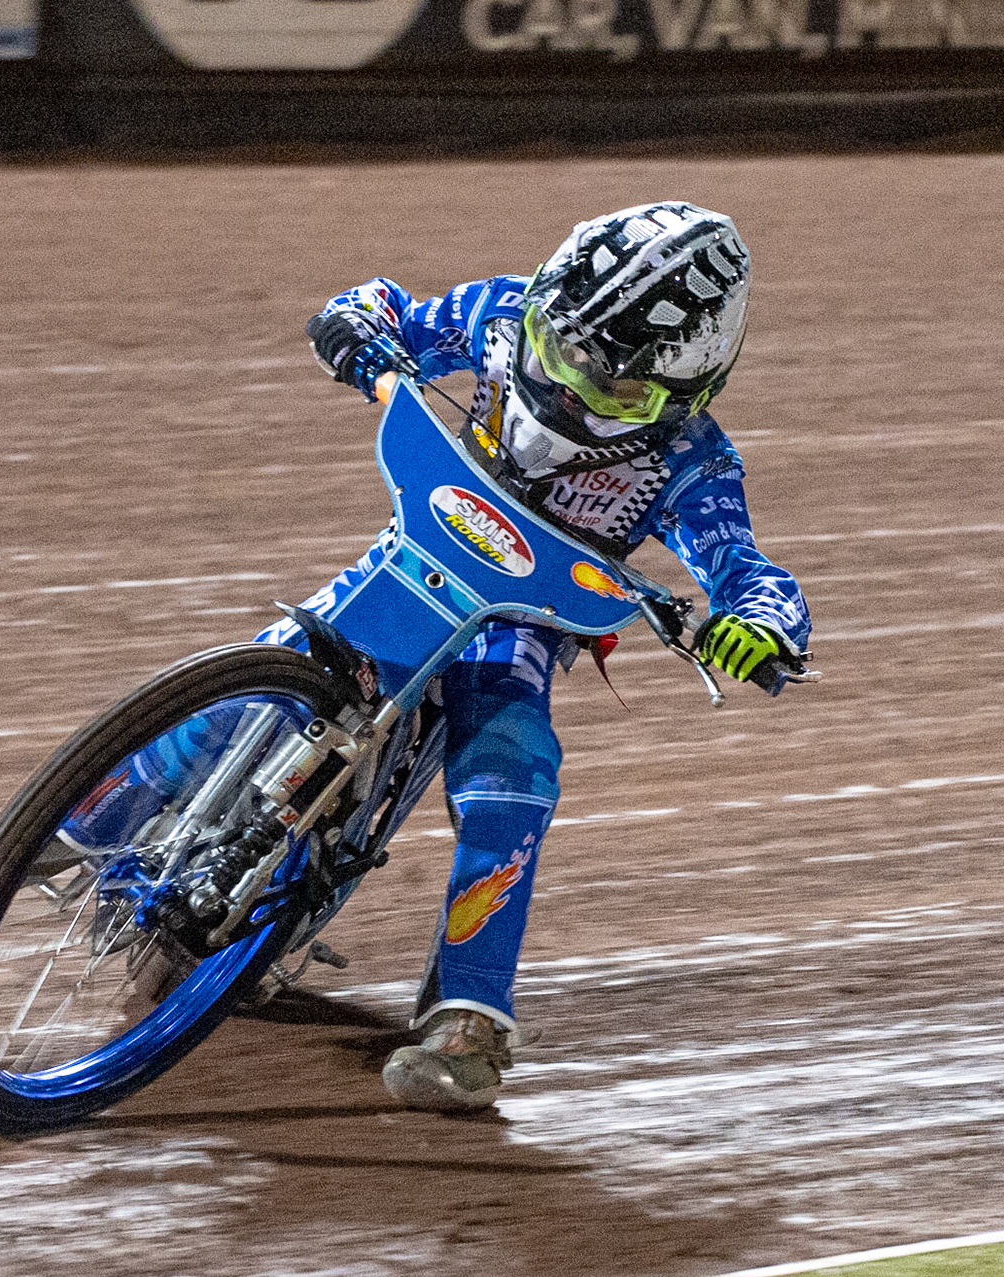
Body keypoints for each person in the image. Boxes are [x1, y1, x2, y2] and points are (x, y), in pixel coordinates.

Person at [261, 201, 814, 1112]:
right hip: (417, 559)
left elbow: (749, 573)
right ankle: (88, 813)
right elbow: (391, 308)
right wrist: (357, 323)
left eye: (618, 393)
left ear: (690, 394)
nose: (573, 394)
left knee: (513, 775)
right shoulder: (501, 312)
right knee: (276, 661)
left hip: (518, 625)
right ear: (549, 305)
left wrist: (760, 624)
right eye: (562, 355)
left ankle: (470, 1018)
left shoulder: (692, 462)